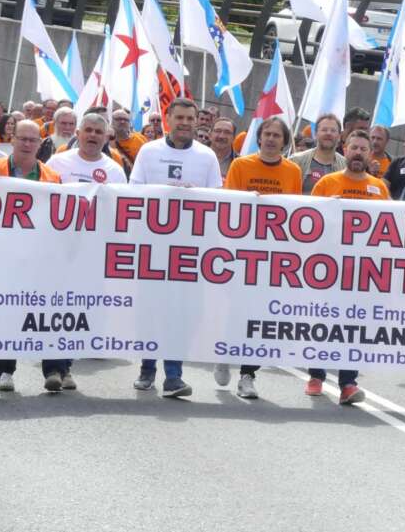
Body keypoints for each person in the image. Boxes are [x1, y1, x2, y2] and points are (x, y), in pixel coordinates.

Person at [130, 98, 223, 398]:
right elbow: (133, 193)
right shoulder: (148, 151)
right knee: (151, 310)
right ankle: (147, 369)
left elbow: (218, 202)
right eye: (179, 117)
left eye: (189, 118)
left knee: (181, 313)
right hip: (153, 248)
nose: (184, 123)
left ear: (197, 121)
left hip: (189, 251)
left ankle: (174, 375)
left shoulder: (207, 157)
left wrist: (195, 197)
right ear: (168, 118)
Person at [220, 116, 302, 398]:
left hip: (273, 257)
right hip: (241, 252)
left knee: (261, 316)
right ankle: (225, 351)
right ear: (258, 137)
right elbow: (228, 206)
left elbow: (295, 213)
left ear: (284, 141)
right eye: (266, 134)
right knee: (235, 312)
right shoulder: (241, 166)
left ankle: (247, 373)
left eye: (276, 136)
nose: (270, 139)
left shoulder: (292, 171)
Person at [0, 121, 63, 397]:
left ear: (40, 144)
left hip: (38, 257)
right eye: (22, 139)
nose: (27, 144)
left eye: (33, 140)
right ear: (12, 140)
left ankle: (29, 370)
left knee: (33, 312)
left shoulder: (51, 176)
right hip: (0, 256)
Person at [306, 129, 390, 405]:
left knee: (354, 325)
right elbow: (310, 223)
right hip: (327, 269)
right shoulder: (327, 183)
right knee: (323, 321)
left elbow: (390, 227)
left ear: (369, 154)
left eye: (363, 149)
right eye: (354, 148)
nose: (358, 153)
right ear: (345, 149)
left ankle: (348, 383)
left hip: (364, 272)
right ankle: (316, 376)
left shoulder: (379, 188)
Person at [45, 113, 126, 185]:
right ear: (77, 134)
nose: (93, 135)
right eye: (88, 130)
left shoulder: (116, 172)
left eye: (98, 132)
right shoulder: (56, 163)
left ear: (106, 138)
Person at [290, 113, 346, 194]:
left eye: (333, 130)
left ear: (339, 137)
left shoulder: (346, 166)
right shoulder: (296, 161)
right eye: (324, 130)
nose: (328, 133)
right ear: (315, 134)